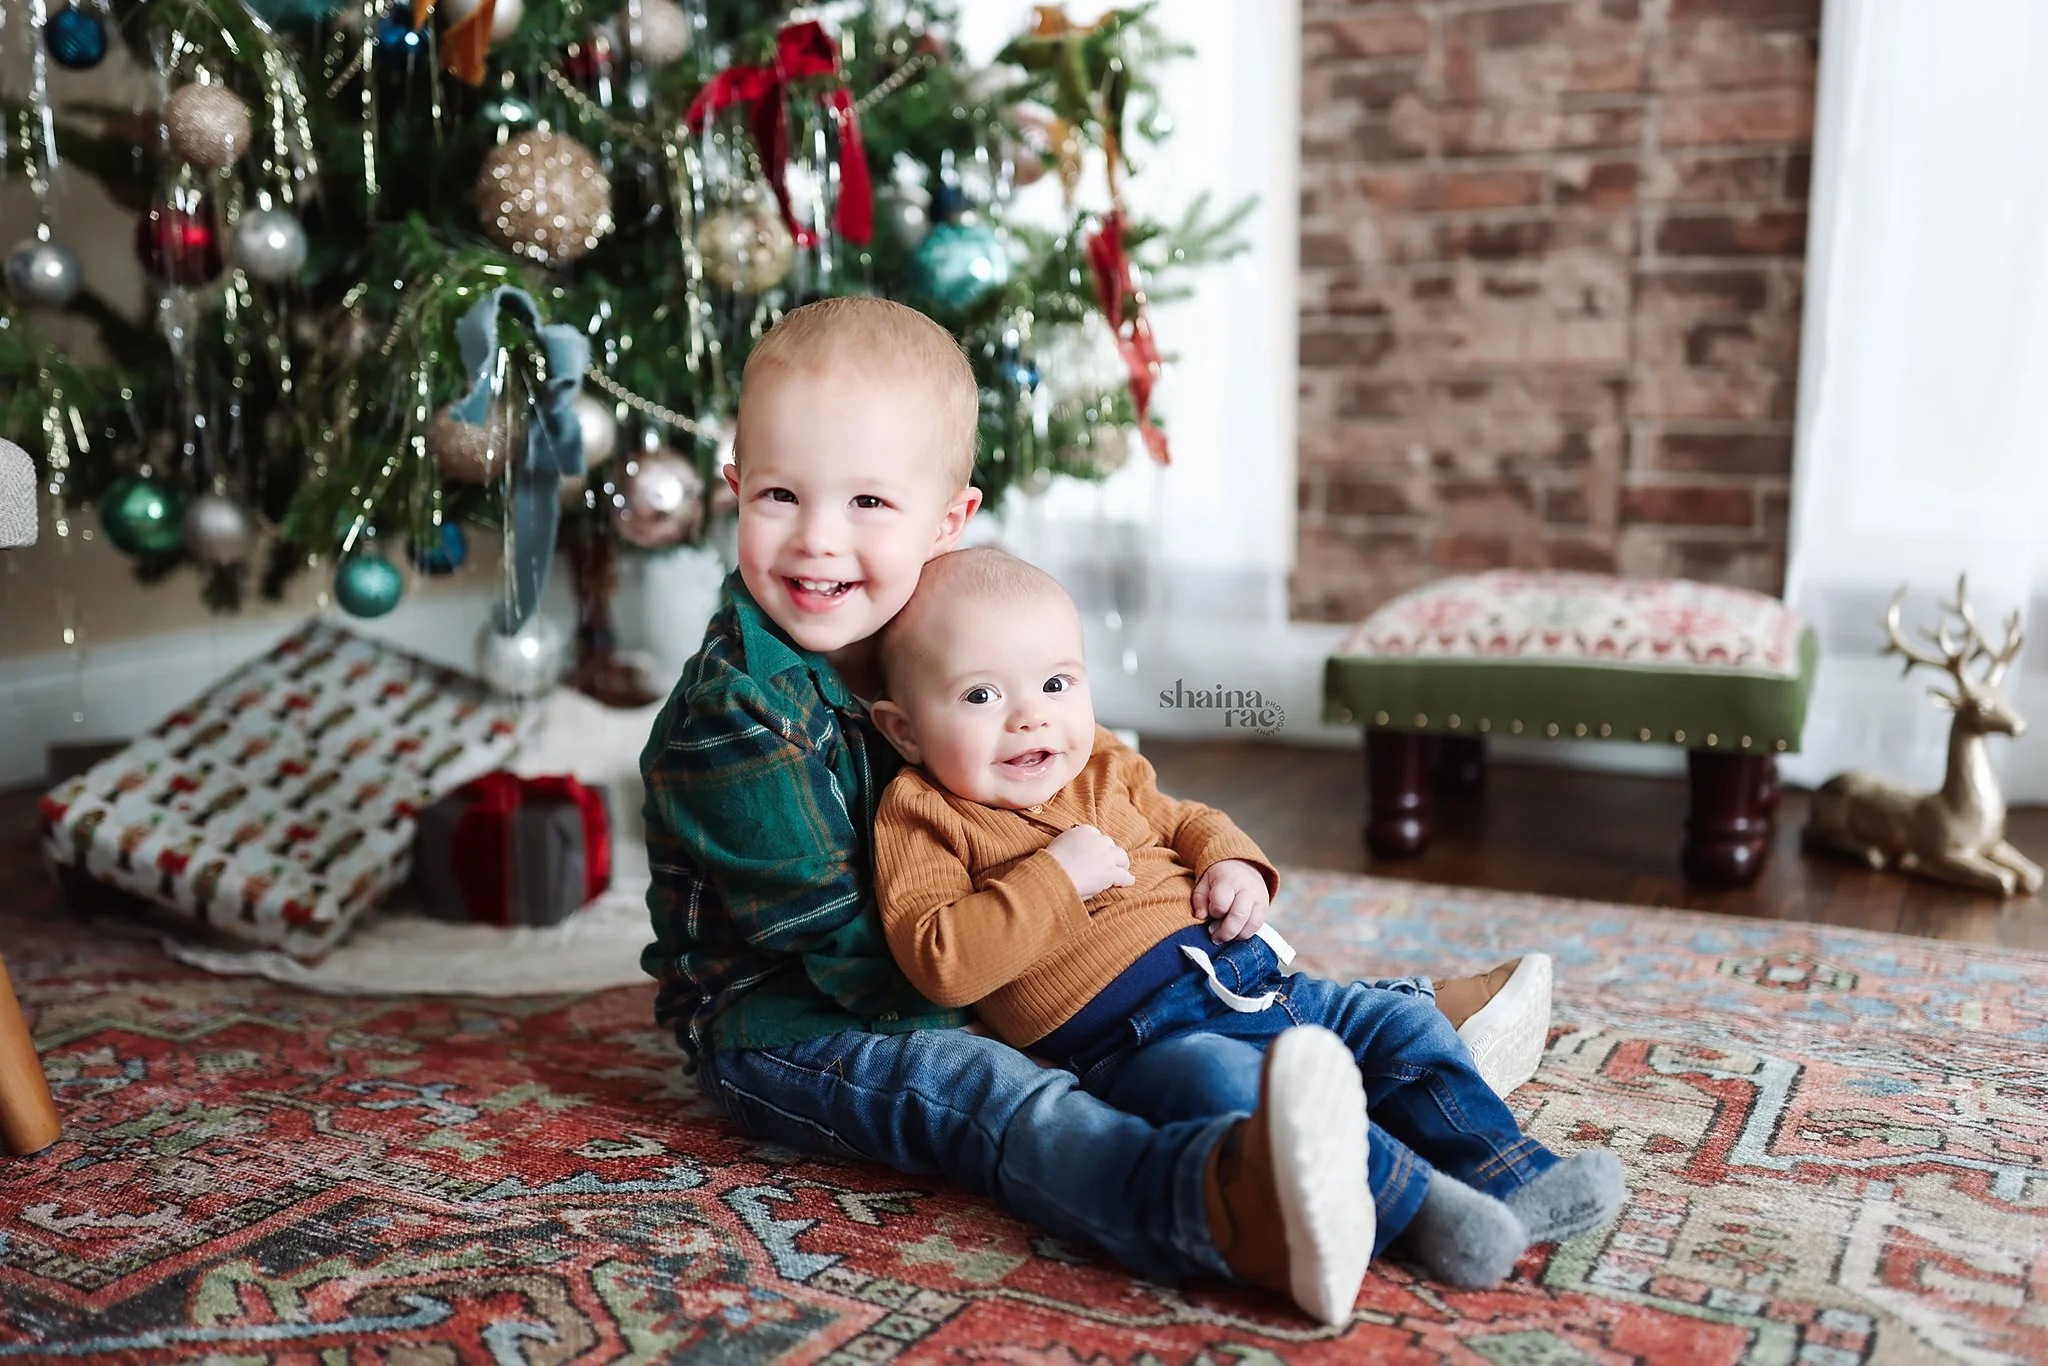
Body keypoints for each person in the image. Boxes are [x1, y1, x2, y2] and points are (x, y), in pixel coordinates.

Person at [640, 296, 1563, 1324]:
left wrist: (1138, 926)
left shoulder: (921, 624)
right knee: (996, 1094)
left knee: (1176, 988)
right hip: (791, 1019)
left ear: (945, 524)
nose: (818, 541)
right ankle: (1216, 1202)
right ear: (734, 489)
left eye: (867, 502)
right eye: (779, 494)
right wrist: (1062, 1009)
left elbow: (1107, 786)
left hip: (972, 947)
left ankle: (1371, 1037)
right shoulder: (736, 717)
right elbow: (859, 961)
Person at [863, 546, 1627, 1295]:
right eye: (981, 696)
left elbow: (1185, 819)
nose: (1032, 717)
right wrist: (1056, 878)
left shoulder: (1101, 763)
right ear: (905, 731)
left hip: (1262, 987)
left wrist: (1232, 863)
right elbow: (942, 960)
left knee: (1402, 1025)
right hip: (1140, 1045)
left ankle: (1515, 1174)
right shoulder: (922, 814)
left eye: (1057, 683)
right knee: (1234, 1090)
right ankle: (1429, 1210)